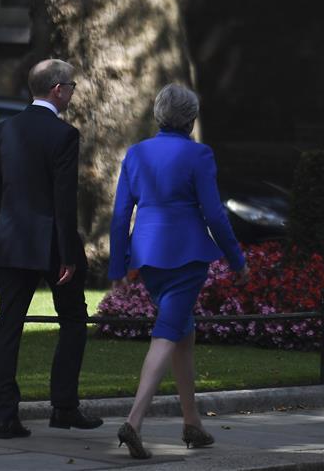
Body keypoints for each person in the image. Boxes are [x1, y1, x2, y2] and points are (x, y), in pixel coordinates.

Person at [108, 84, 247, 459]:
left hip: (148, 255)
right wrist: (236, 260)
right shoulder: (198, 154)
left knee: (183, 332)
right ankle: (133, 422)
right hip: (186, 255)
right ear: (191, 119)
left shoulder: (136, 153)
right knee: (168, 333)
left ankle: (193, 424)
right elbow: (214, 214)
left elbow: (121, 215)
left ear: (158, 115)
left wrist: (118, 264)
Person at [0, 59, 102, 439]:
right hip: (51, 244)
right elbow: (63, 201)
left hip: (12, 239)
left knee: (7, 327)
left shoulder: (3, 130)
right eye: (71, 86)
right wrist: (68, 255)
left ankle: (5, 416)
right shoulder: (63, 135)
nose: (72, 92)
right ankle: (64, 406)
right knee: (73, 320)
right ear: (57, 90)